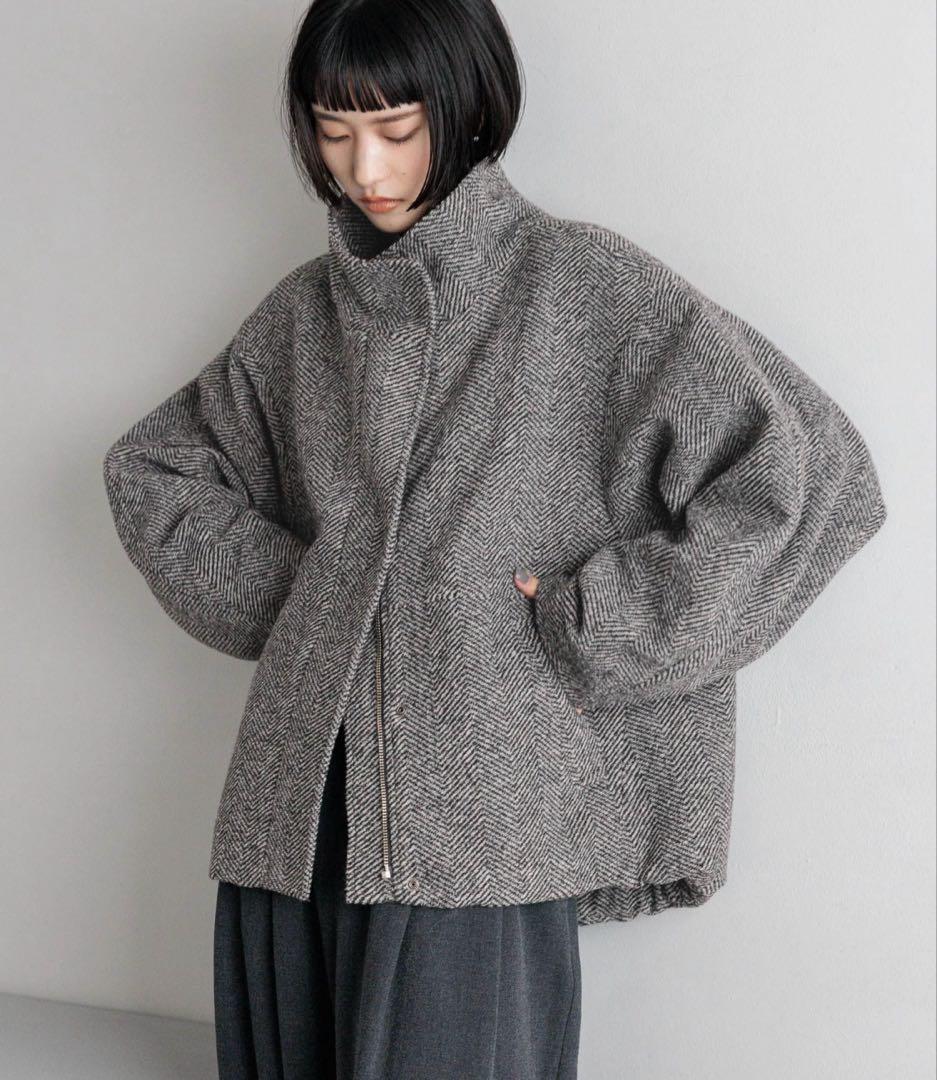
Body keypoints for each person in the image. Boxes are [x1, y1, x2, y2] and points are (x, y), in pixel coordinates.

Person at [101, 1, 887, 1077]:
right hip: (292, 826)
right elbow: (153, 472)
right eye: (332, 131)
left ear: (469, 107)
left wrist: (598, 622)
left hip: (480, 826)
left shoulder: (585, 285)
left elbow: (814, 479)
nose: (365, 168)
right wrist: (318, 608)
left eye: (397, 127)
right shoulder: (306, 315)